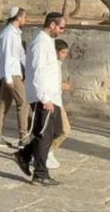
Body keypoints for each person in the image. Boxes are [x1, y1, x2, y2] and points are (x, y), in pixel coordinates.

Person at [12, 12, 67, 187]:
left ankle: (25, 154)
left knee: (55, 131)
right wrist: (45, 98)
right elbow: (37, 72)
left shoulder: (48, 42)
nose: (62, 31)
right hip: (45, 97)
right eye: (61, 27)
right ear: (52, 25)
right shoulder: (40, 43)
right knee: (45, 135)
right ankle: (40, 173)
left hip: (53, 96)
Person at [0, 7, 29, 148]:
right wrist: (8, 78)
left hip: (13, 72)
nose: (25, 20)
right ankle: (24, 138)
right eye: (24, 17)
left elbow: (20, 55)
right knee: (23, 103)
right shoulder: (7, 34)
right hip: (11, 73)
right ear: (18, 18)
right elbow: (5, 57)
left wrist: (27, 70)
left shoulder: (15, 33)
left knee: (3, 103)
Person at [48, 39, 72, 169]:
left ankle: (47, 150)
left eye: (66, 53)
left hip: (58, 101)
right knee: (64, 130)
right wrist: (61, 85)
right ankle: (47, 151)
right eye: (63, 52)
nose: (65, 55)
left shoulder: (59, 64)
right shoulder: (52, 65)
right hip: (52, 101)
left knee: (62, 130)